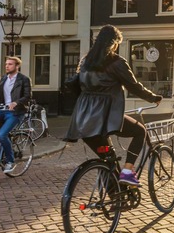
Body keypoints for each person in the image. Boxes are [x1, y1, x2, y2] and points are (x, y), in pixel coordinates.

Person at [64, 25, 162, 187]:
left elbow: (75, 87)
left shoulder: (85, 62)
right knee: (140, 131)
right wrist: (153, 98)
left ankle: (115, 199)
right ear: (114, 43)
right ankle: (128, 171)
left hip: (82, 121)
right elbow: (134, 86)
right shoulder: (116, 62)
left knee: (107, 160)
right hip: (105, 118)